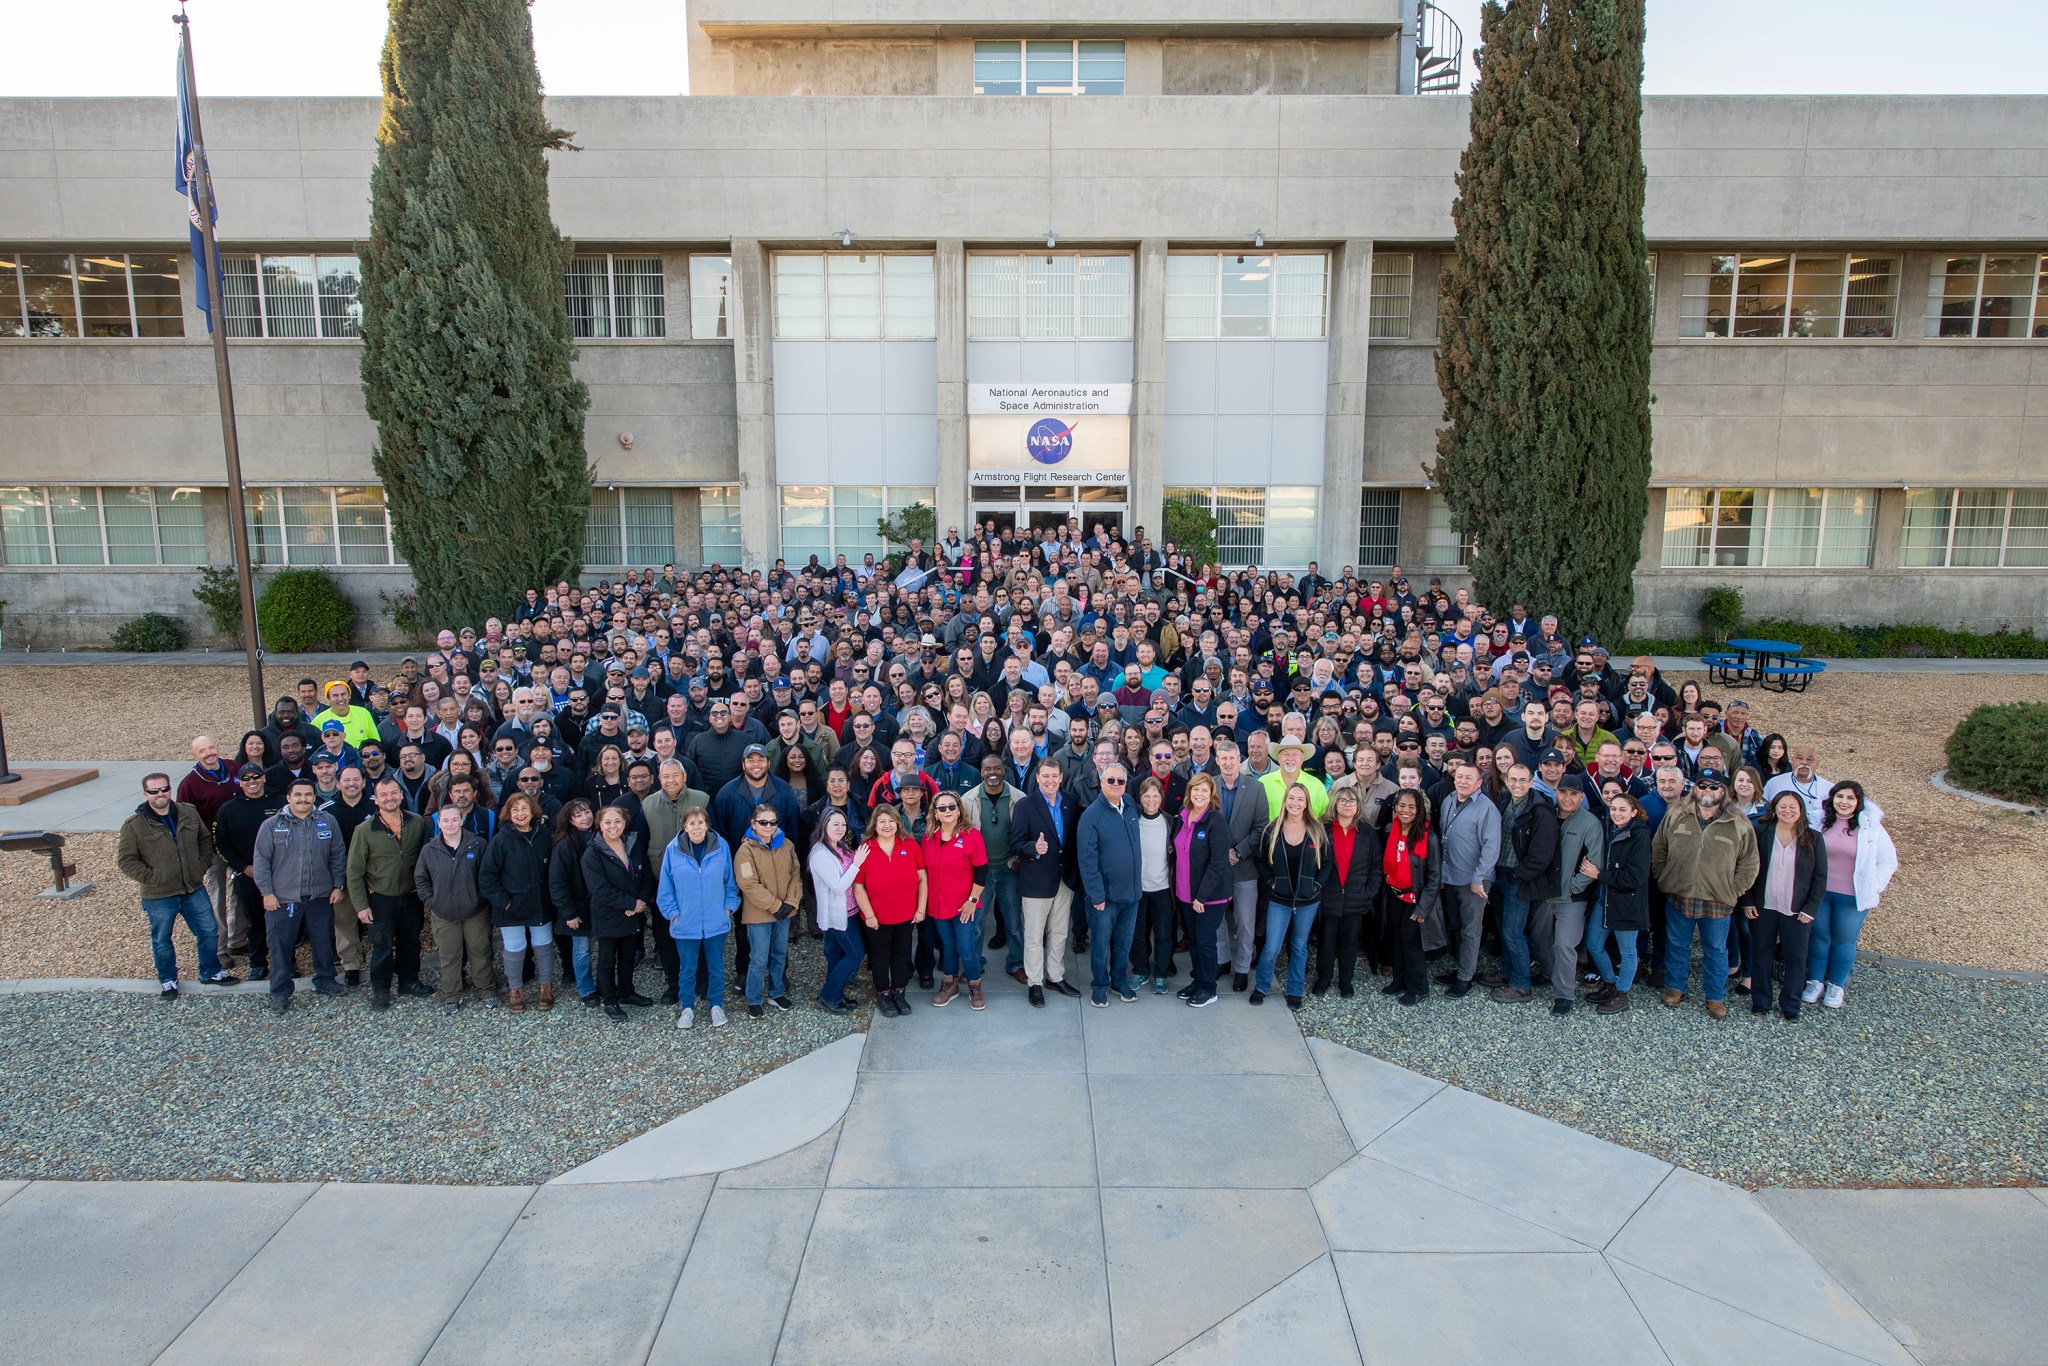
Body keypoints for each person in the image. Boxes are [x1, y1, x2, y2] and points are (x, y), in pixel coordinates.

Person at [115, 772, 239, 999]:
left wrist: (200, 865)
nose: (159, 794)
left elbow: (204, 839)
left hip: (193, 888)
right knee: (162, 940)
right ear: (145, 794)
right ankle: (168, 980)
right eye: (154, 791)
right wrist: (153, 877)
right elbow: (126, 860)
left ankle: (210, 971)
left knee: (209, 931)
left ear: (170, 789)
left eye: (163, 789)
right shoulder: (134, 825)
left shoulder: (188, 812)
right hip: (159, 895)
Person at [1651, 771, 1760, 1020]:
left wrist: (1734, 890)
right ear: (1695, 788)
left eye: (1714, 786)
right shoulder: (1676, 815)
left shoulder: (1739, 823)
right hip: (1679, 894)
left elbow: (1749, 863)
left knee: (1715, 950)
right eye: (1702, 785)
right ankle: (1676, 987)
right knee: (1677, 945)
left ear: (1723, 791)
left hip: (1718, 899)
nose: (1707, 790)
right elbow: (1659, 849)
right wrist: (1664, 878)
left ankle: (1715, 996)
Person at [250, 779, 348, 1013]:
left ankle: (325, 979)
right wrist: (267, 893)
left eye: (308, 795)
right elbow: (261, 861)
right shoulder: (271, 825)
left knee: (323, 940)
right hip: (283, 899)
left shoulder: (327, 821)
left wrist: (338, 885)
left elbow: (338, 855)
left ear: (314, 797)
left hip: (320, 896)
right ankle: (280, 991)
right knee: (280, 946)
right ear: (288, 798)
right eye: (298, 795)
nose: (303, 799)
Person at [1804, 780, 1898, 1011]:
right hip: (1821, 894)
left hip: (1853, 897)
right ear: (1832, 799)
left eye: (1850, 798)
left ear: (1859, 803)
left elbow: (1888, 861)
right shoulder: (1818, 822)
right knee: (1819, 939)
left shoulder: (1871, 827)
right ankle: (1815, 982)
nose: (1844, 802)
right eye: (1840, 797)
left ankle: (1836, 985)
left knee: (1844, 941)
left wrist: (1874, 886)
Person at [346, 776, 432, 1010]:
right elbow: (354, 871)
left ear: (401, 795)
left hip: (411, 895)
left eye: (394, 793)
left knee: (411, 941)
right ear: (376, 799)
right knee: (382, 945)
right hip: (380, 898)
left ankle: (408, 981)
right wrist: (361, 906)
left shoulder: (416, 823)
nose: (390, 798)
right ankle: (381, 989)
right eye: (383, 795)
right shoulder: (364, 830)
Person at [1741, 791, 1827, 1021]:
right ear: (1774, 808)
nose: (1788, 811)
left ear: (1801, 811)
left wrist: (1811, 909)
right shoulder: (1760, 832)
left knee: (1796, 958)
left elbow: (1820, 878)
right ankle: (1760, 1001)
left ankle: (1790, 1004)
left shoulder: (1813, 838)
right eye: (1783, 806)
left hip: (1796, 910)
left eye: (1793, 807)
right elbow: (1748, 868)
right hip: (1763, 905)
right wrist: (1747, 900)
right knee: (1761, 954)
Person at [655, 805, 737, 1030]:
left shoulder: (721, 847)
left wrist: (728, 909)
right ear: (685, 826)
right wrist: (673, 915)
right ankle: (688, 1007)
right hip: (685, 922)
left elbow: (730, 883)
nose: (696, 827)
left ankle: (716, 1005)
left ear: (707, 825)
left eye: (700, 822)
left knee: (716, 967)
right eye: (692, 823)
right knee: (687, 968)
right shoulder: (673, 850)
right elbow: (665, 888)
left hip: (715, 921)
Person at [1011, 757, 1081, 1006]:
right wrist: (1034, 847)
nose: (1050, 780)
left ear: (1061, 778)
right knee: (1034, 935)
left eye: (1055, 776)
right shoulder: (1025, 806)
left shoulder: (1071, 802)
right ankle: (1035, 983)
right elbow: (1016, 844)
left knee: (1059, 932)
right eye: (1045, 776)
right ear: (1037, 778)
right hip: (1036, 881)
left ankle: (1055, 976)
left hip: (1064, 879)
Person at [1486, 764, 1558, 1005]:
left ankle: (1521, 984)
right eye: (1513, 779)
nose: (1517, 784)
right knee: (1503, 929)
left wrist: (1519, 875)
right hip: (1500, 875)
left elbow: (1542, 854)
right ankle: (1507, 972)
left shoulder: (1540, 810)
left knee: (1513, 932)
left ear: (1531, 782)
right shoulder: (1504, 802)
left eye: (1522, 780)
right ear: (1506, 780)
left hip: (1519, 879)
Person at [413, 804, 495, 1014]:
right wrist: (432, 901)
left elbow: (487, 875)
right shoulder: (429, 849)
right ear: (439, 823)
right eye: (445, 820)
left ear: (462, 821)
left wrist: (480, 899)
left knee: (480, 951)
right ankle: (452, 995)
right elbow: (421, 878)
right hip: (443, 913)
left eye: (454, 819)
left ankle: (486, 990)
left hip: (475, 911)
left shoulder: (477, 844)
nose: (450, 824)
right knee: (449, 956)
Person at [1254, 781, 1328, 1010]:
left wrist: (1316, 886)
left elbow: (1326, 864)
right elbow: (1260, 860)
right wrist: (1271, 882)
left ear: (1306, 804)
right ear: (1285, 801)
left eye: (1300, 799)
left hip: (1307, 901)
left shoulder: (1317, 830)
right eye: (1291, 798)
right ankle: (1261, 987)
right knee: (1272, 947)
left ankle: (1295, 991)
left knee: (1299, 946)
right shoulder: (1272, 829)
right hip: (1280, 900)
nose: (1295, 803)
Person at [480, 791, 556, 1012]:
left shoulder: (545, 835)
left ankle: (546, 987)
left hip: (540, 903)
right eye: (515, 810)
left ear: (533, 811)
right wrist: (504, 902)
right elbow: (486, 876)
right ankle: (515, 990)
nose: (520, 813)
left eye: (524, 808)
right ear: (508, 814)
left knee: (543, 946)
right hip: (511, 906)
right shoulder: (500, 840)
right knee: (515, 949)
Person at [1076, 761, 1143, 1007]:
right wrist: (1097, 896)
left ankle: (1118, 981)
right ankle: (1100, 985)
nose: (1116, 785)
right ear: (1101, 782)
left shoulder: (1130, 807)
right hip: (1104, 898)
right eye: (1111, 780)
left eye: (1121, 781)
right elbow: (1087, 860)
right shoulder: (1091, 816)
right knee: (1101, 947)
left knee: (1124, 944)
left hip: (1131, 895)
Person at [582, 803, 655, 1021]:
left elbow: (646, 875)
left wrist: (641, 901)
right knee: (606, 961)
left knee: (627, 957)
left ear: (624, 823)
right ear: (599, 824)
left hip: (634, 913)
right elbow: (600, 890)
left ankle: (627, 992)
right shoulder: (592, 853)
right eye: (608, 822)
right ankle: (610, 1000)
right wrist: (631, 904)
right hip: (608, 915)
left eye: (617, 821)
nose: (613, 826)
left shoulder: (633, 844)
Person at [1434, 761, 1501, 998]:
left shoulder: (1487, 809)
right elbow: (1443, 839)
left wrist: (1479, 878)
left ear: (1479, 783)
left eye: (1468, 778)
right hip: (1450, 877)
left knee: (1471, 931)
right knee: (1456, 926)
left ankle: (1466, 977)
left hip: (1473, 881)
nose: (1462, 781)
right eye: (1459, 776)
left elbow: (1491, 847)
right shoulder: (1448, 801)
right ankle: (1461, 969)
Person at [853, 804, 926, 1018]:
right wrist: (869, 915)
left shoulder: (910, 845)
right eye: (882, 821)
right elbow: (858, 886)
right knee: (880, 956)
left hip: (906, 914)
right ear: (874, 825)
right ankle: (883, 993)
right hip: (877, 918)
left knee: (901, 955)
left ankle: (899, 992)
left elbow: (922, 878)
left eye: (891, 820)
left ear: (898, 823)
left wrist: (921, 909)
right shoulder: (866, 848)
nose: (887, 825)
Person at [733, 802, 803, 1018]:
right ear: (753, 824)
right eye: (763, 822)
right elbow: (748, 884)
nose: (768, 826)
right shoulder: (745, 851)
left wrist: (791, 903)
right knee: (759, 957)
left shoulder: (787, 845)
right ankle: (754, 998)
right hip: (759, 915)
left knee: (780, 953)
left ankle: (776, 991)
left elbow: (795, 874)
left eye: (773, 822)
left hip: (784, 912)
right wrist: (775, 905)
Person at [1170, 772, 1234, 1008]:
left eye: (1204, 791)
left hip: (1209, 897)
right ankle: (1198, 981)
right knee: (1194, 940)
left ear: (1211, 795)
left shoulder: (1216, 822)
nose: (1199, 794)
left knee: (1206, 942)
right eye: (1195, 790)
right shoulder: (1183, 816)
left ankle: (1209, 988)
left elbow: (1219, 863)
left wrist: (1202, 896)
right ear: (1189, 792)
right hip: (1185, 893)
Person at [1586, 790, 1652, 1015]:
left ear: (1634, 812)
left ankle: (1622, 993)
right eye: (1613, 809)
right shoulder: (1609, 830)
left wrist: (1599, 875)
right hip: (1604, 899)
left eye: (1623, 809)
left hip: (1627, 902)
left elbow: (1634, 877)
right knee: (1594, 944)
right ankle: (1610, 982)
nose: (1617, 813)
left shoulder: (1640, 836)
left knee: (1627, 951)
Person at [921, 791, 989, 1008]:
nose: (948, 811)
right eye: (942, 808)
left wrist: (972, 900)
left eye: (952, 807)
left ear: (959, 810)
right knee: (948, 946)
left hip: (965, 906)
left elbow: (981, 871)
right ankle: (949, 984)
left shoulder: (972, 835)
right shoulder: (928, 837)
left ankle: (975, 987)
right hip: (939, 906)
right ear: (935, 813)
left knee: (966, 948)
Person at [1544, 774, 1604, 1015]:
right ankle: (1545, 977)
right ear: (1556, 793)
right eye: (1563, 792)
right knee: (1540, 940)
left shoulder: (1589, 823)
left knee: (1564, 945)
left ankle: (1564, 994)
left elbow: (1595, 862)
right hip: (1543, 893)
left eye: (1573, 794)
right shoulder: (1546, 816)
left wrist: (1572, 886)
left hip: (1571, 897)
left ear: (1581, 797)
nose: (1567, 798)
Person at [959, 755, 1023, 982]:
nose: (992, 772)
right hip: (980, 872)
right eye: (987, 769)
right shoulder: (968, 799)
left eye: (997, 768)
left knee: (1014, 922)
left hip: (1008, 867)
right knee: (975, 923)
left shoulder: (1018, 798)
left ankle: (1016, 963)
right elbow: (962, 835)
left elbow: (1026, 833)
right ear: (981, 771)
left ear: (1004, 770)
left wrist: (1019, 858)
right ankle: (974, 964)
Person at [1377, 789, 1442, 1007]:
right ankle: (1399, 980)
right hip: (1394, 895)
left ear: (1419, 810)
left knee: (1411, 943)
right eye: (1402, 806)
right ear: (1395, 808)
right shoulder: (1389, 830)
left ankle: (1418, 988)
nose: (1406, 811)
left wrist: (1423, 909)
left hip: (1415, 900)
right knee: (1396, 939)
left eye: (1411, 807)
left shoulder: (1428, 838)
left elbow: (1434, 877)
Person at [1316, 785, 1381, 997]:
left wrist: (1369, 891)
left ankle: (1345, 981)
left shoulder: (1368, 832)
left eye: (1351, 801)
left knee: (1349, 943)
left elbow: (1376, 866)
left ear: (1358, 805)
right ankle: (1323, 979)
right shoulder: (1322, 829)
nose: (1346, 804)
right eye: (1342, 800)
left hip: (1356, 898)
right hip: (1329, 897)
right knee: (1326, 942)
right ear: (1334, 803)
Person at [1213, 739, 1265, 993]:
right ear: (1217, 760)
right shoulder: (1209, 785)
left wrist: (1239, 851)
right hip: (1216, 865)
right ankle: (1222, 960)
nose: (1228, 763)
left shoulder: (1255, 788)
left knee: (1245, 921)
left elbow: (1261, 827)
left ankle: (1243, 968)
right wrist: (1222, 853)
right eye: (1223, 759)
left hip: (1245, 866)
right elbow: (1202, 821)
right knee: (1217, 918)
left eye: (1232, 758)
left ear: (1239, 759)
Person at [177, 735, 239, 941]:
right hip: (212, 848)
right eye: (202, 751)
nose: (209, 754)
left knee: (239, 893)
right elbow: (184, 822)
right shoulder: (189, 784)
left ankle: (238, 938)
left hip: (239, 845)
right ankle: (220, 944)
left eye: (211, 748)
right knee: (217, 896)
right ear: (194, 755)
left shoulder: (235, 768)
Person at [807, 808, 868, 1014]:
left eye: (843, 824)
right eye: (835, 824)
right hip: (837, 915)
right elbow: (838, 886)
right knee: (855, 954)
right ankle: (828, 996)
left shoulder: (839, 846)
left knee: (835, 956)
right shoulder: (820, 853)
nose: (840, 828)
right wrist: (857, 864)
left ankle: (835, 994)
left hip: (849, 911)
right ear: (824, 825)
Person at [548, 799, 602, 1005]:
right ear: (570, 820)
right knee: (582, 949)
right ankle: (586, 988)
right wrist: (568, 912)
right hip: (577, 907)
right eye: (578, 815)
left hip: (600, 904)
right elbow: (557, 882)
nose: (585, 817)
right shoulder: (564, 845)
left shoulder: (601, 835)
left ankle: (605, 985)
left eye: (587, 812)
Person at [1128, 776, 1177, 993]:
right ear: (1140, 797)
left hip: (1163, 889)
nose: (1150, 800)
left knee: (1163, 933)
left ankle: (1160, 974)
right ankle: (1140, 970)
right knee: (1137, 933)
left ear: (1161, 798)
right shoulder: (1132, 820)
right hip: (1138, 889)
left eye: (1155, 795)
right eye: (1146, 795)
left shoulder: (1169, 821)